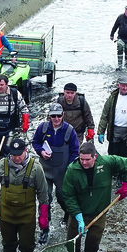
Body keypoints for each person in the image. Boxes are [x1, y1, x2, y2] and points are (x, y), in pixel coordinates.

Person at [62, 141, 127, 252]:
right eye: (81, 159)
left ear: (95, 157)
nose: (84, 162)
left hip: (98, 215)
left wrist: (126, 184)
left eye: (87, 159)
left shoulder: (107, 163)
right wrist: (77, 215)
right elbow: (68, 196)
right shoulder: (72, 170)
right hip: (78, 215)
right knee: (72, 244)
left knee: (91, 249)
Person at [0, 138, 49, 252]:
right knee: (8, 245)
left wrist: (43, 216)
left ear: (25, 151)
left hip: (26, 216)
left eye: (19, 154)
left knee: (27, 245)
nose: (16, 157)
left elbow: (43, 195)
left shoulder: (36, 168)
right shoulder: (2, 165)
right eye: (13, 154)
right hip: (6, 216)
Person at [32, 102, 79, 244]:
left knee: (62, 197)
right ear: (49, 116)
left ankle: (67, 215)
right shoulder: (43, 128)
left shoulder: (70, 131)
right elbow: (35, 142)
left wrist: (69, 169)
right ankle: (44, 228)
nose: (56, 118)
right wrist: (41, 151)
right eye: (53, 116)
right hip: (45, 170)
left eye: (59, 116)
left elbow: (74, 152)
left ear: (63, 115)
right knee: (44, 199)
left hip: (62, 171)